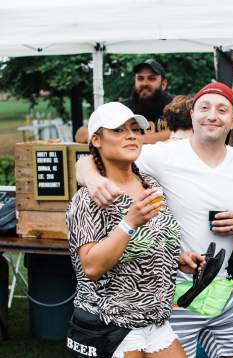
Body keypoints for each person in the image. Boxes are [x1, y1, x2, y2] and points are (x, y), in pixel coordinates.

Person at [77, 82, 233, 358]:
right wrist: (93, 178)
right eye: (204, 108)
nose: (212, 115)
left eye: (222, 109)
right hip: (172, 294)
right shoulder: (162, 155)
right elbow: (93, 158)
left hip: (223, 289)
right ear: (192, 113)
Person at [66, 102, 203, 357]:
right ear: (96, 140)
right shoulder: (89, 199)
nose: (130, 135)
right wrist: (129, 223)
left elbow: (149, 241)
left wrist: (177, 258)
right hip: (111, 322)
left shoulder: (150, 186)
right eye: (118, 130)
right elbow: (91, 267)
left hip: (156, 319)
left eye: (134, 129)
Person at [121, 59, 175, 144]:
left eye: (151, 78)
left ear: (163, 84)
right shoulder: (122, 108)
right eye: (140, 78)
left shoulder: (175, 104)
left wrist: (135, 140)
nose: (144, 83)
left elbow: (179, 132)